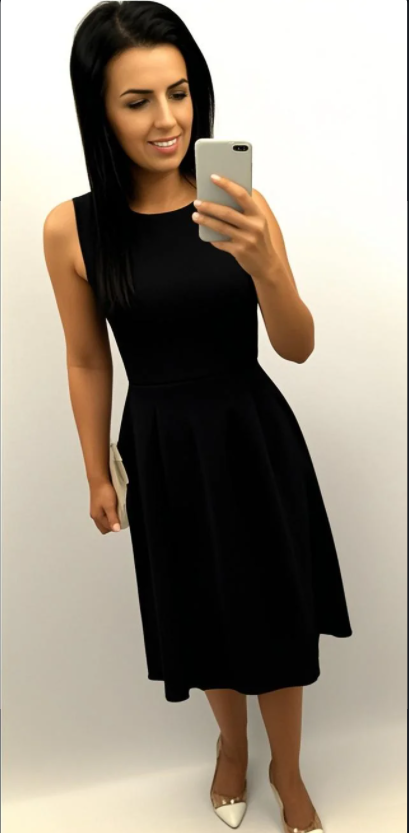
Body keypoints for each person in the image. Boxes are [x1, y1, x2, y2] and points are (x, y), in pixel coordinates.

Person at [43, 2, 352, 830]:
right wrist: (94, 468)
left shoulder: (238, 203)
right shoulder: (73, 229)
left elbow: (296, 347)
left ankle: (287, 768)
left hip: (252, 435)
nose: (167, 119)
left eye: (178, 93)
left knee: (275, 611)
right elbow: (86, 358)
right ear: (99, 110)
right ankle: (230, 745)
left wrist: (267, 267)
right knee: (202, 609)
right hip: (161, 448)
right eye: (137, 100)